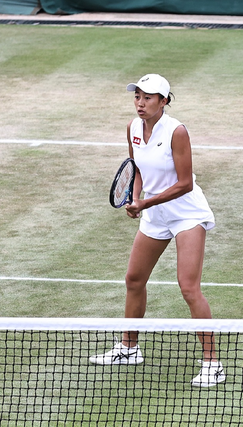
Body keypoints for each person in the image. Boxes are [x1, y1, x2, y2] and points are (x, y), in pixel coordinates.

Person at [89, 74, 223, 388]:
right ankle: (129, 348)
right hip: (155, 214)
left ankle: (212, 364)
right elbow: (135, 169)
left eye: (148, 97)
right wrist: (136, 199)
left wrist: (145, 202)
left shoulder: (176, 131)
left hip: (186, 214)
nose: (140, 103)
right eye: (137, 96)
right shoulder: (132, 128)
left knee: (188, 287)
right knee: (134, 279)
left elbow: (184, 183)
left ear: (164, 101)